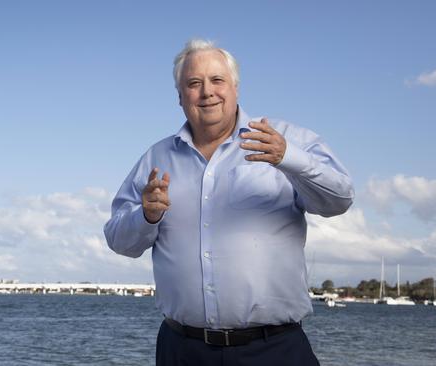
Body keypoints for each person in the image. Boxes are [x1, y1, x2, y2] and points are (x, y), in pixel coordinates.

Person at [104, 39, 354, 366]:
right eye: (194, 83)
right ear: (180, 97)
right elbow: (118, 240)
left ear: (235, 87)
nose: (207, 91)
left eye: (217, 80)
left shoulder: (287, 139)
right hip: (181, 350)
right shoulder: (156, 158)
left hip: (275, 350)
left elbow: (339, 199)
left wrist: (288, 158)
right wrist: (146, 216)